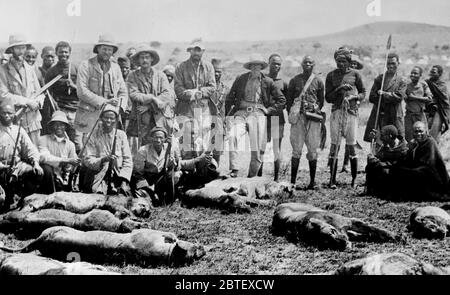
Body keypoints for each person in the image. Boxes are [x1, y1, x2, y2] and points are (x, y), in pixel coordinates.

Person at [225, 53, 286, 178]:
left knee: (257, 149)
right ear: (250, 67)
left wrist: (268, 110)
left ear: (262, 67)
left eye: (258, 66)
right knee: (233, 135)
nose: (255, 68)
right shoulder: (241, 79)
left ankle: (251, 177)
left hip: (258, 114)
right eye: (253, 65)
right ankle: (234, 170)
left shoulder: (268, 82)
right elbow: (230, 97)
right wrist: (227, 116)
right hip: (241, 113)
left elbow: (282, 100)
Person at [132, 126, 210, 205]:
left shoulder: (170, 149)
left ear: (165, 139)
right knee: (145, 200)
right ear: (151, 138)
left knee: (173, 176)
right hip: (146, 181)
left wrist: (174, 165)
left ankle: (168, 198)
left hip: (159, 180)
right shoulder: (143, 151)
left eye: (161, 138)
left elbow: (179, 165)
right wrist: (149, 189)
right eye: (155, 137)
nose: (158, 140)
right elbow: (138, 174)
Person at [325, 47, 366, 188]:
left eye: (343, 61)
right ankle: (332, 180)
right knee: (335, 146)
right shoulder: (331, 76)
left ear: (349, 62)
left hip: (351, 113)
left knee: (351, 146)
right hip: (336, 112)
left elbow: (363, 92)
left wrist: (355, 96)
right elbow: (328, 98)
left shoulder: (355, 74)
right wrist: (339, 89)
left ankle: (354, 180)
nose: (340, 64)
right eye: (338, 61)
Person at [75, 34, 128, 136]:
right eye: (104, 49)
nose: (107, 52)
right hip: (89, 115)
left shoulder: (116, 68)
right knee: (87, 147)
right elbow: (82, 92)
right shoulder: (86, 65)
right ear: (98, 49)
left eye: (110, 49)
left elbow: (123, 91)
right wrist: (105, 102)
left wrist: (119, 108)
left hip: (111, 117)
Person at [126, 44, 175, 149]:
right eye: (142, 57)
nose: (144, 60)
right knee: (141, 148)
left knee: (161, 146)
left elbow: (166, 95)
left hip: (160, 118)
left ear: (152, 59)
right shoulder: (132, 76)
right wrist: (152, 98)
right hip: (141, 119)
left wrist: (149, 107)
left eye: (147, 57)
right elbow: (134, 94)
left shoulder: (161, 76)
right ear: (138, 60)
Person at [174, 41, 216, 161]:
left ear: (203, 52)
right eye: (194, 50)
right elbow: (178, 88)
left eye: (200, 50)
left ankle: (204, 168)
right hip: (186, 107)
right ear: (190, 51)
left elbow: (212, 87)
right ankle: (187, 169)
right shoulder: (180, 67)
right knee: (187, 137)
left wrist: (200, 92)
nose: (197, 53)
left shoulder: (208, 67)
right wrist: (190, 94)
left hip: (203, 108)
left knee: (203, 137)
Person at [287, 56, 325, 190]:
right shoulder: (294, 80)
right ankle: (292, 182)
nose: (307, 64)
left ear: (314, 64)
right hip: (298, 118)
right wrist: (294, 114)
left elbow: (321, 101)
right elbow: (289, 100)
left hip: (313, 118)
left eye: (310, 62)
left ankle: (312, 182)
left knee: (313, 150)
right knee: (296, 150)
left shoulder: (318, 81)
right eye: (305, 62)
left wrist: (315, 108)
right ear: (301, 65)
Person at [387, 121, 450, 201]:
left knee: (413, 174)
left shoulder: (430, 142)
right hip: (419, 171)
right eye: (416, 131)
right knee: (396, 169)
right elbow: (409, 160)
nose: (418, 134)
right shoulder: (415, 143)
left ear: (426, 132)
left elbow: (428, 165)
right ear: (413, 133)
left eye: (421, 131)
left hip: (432, 177)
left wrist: (409, 169)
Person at [0, 34, 44, 145]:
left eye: (23, 47)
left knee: (35, 154)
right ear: (12, 50)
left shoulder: (31, 68)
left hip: (34, 120)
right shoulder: (3, 70)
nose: (21, 51)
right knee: (16, 155)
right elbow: (3, 95)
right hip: (15, 121)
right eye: (18, 48)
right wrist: (27, 102)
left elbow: (40, 92)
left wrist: (38, 102)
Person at [0, 101, 43, 211]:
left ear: (14, 114)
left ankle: (23, 201)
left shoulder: (18, 130)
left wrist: (36, 163)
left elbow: (31, 149)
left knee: (36, 172)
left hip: (16, 166)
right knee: (2, 199)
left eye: (9, 113)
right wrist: (3, 167)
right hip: (1, 167)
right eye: (3, 113)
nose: (6, 115)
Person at [82, 105, 132, 195]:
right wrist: (103, 159)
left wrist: (124, 179)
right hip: (97, 174)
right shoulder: (92, 135)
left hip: (118, 175)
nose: (109, 121)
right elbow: (88, 160)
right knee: (96, 194)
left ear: (116, 120)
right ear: (101, 118)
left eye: (112, 118)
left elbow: (127, 159)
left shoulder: (121, 135)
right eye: (106, 118)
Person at [45, 41, 82, 152]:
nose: (63, 55)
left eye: (66, 52)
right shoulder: (51, 72)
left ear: (70, 53)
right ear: (56, 53)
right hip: (59, 111)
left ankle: (77, 167)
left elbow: (85, 90)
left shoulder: (77, 68)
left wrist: (73, 86)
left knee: (77, 142)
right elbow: (47, 93)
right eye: (60, 52)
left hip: (75, 111)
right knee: (60, 141)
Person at [364, 53, 407, 145]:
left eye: (393, 63)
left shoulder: (401, 80)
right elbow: (371, 97)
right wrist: (380, 98)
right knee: (378, 141)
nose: (390, 66)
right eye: (388, 63)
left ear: (398, 63)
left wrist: (384, 94)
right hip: (380, 115)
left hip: (394, 115)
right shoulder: (380, 79)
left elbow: (399, 97)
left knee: (396, 141)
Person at [38, 111, 80, 193]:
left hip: (63, 176)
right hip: (48, 177)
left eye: (61, 124)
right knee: (46, 168)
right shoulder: (43, 139)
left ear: (66, 127)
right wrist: (65, 160)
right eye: (56, 124)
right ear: (52, 126)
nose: (59, 127)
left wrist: (75, 163)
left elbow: (73, 163)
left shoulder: (70, 145)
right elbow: (44, 157)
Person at [365, 125, 408, 197]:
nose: (381, 138)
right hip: (388, 170)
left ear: (390, 136)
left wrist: (379, 163)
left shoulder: (402, 149)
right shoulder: (387, 145)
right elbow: (378, 156)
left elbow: (397, 166)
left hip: (397, 175)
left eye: (382, 135)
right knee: (371, 165)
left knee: (381, 168)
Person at [266, 54, 288, 181]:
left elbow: (285, 102)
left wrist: (274, 109)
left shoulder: (283, 83)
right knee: (261, 147)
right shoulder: (262, 79)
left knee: (276, 148)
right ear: (268, 63)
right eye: (274, 63)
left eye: (279, 64)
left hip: (276, 119)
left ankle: (276, 178)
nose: (276, 66)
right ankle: (257, 176)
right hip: (263, 118)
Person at [341, 53, 364, 173]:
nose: (353, 66)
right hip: (342, 110)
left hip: (353, 110)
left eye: (356, 64)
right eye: (352, 64)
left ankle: (347, 164)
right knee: (341, 139)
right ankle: (338, 164)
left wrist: (357, 99)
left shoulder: (357, 78)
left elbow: (362, 93)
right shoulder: (344, 77)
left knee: (351, 140)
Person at [404, 66, 432, 142]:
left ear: (420, 75)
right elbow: (405, 97)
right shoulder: (407, 85)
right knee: (409, 138)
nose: (412, 75)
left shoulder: (423, 84)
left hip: (420, 115)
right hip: (409, 115)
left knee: (423, 137)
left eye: (415, 73)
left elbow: (429, 98)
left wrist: (414, 98)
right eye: (411, 73)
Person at [210, 58, 229, 166]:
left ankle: (215, 171)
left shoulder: (226, 89)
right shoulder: (205, 88)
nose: (216, 74)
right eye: (214, 71)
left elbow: (230, 106)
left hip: (220, 123)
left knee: (217, 151)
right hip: (207, 123)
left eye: (219, 72)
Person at [425, 65, 450, 143]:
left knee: (435, 130)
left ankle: (434, 148)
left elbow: (443, 98)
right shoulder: (428, 82)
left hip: (440, 110)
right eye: (431, 71)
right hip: (430, 109)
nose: (431, 73)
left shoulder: (442, 84)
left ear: (439, 74)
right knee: (424, 129)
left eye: (434, 72)